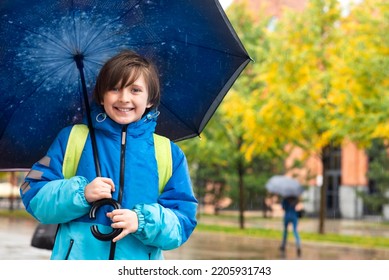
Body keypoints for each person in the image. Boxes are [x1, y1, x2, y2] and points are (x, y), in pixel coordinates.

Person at [20, 50, 198, 260]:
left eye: (135, 90)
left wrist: (142, 221)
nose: (124, 98)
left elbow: (182, 223)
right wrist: (80, 193)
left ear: (150, 99)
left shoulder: (168, 153)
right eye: (114, 88)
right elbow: (34, 195)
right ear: (101, 96)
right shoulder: (72, 139)